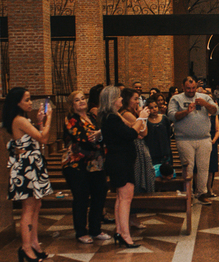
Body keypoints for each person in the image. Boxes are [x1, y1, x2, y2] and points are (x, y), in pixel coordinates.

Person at [3, 87, 52, 262]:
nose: (30, 103)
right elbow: (43, 138)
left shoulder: (24, 120)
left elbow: (37, 139)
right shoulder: (20, 120)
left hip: (32, 165)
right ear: (17, 103)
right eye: (27, 100)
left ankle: (34, 243)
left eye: (30, 99)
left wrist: (39, 122)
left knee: (36, 205)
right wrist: (49, 118)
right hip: (26, 168)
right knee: (29, 208)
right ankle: (26, 247)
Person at [101, 85, 149, 249]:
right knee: (126, 199)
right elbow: (131, 134)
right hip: (120, 161)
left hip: (119, 160)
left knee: (121, 198)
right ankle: (125, 235)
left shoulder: (112, 116)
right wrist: (141, 118)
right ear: (112, 100)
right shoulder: (112, 118)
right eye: (119, 97)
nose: (121, 99)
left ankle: (120, 231)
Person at [63, 87, 110, 245]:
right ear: (72, 105)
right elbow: (84, 138)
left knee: (100, 193)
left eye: (83, 98)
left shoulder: (92, 116)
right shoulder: (71, 119)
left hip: (96, 162)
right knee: (81, 197)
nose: (81, 101)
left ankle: (95, 229)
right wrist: (100, 136)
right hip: (77, 164)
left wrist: (101, 136)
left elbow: (104, 134)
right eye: (77, 100)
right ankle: (81, 232)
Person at [169, 75, 218, 205]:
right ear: (183, 87)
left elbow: (216, 111)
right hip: (184, 139)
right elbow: (171, 116)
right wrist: (186, 111)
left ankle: (201, 193)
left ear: (196, 86)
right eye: (188, 88)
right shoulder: (176, 99)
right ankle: (188, 194)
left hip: (204, 139)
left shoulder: (205, 97)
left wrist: (205, 104)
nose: (191, 91)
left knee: (203, 168)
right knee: (188, 168)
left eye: (193, 88)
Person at [121, 89, 156, 196]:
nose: (137, 102)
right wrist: (142, 117)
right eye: (135, 99)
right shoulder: (126, 114)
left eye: (138, 99)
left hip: (138, 146)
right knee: (138, 177)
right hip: (136, 148)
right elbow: (144, 132)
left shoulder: (132, 113)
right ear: (127, 100)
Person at [144, 96, 174, 179]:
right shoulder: (145, 121)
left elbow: (169, 133)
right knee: (153, 175)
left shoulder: (164, 118)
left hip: (164, 150)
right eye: (151, 108)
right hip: (152, 152)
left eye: (155, 107)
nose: (154, 109)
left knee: (167, 173)